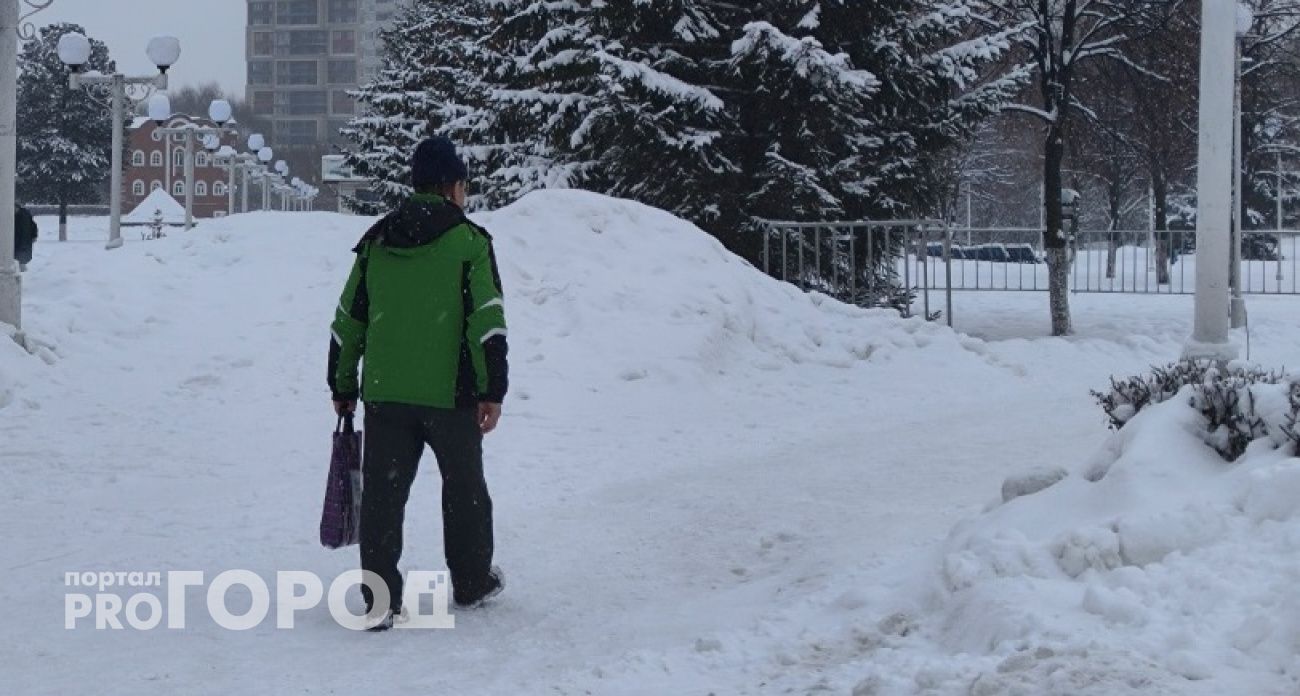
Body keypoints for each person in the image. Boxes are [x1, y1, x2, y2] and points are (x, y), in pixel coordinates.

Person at [328, 137, 509, 631]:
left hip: (385, 394)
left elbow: (348, 321)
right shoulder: (470, 243)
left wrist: (342, 385)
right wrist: (491, 390)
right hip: (451, 396)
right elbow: (487, 323)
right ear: (452, 186)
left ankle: (379, 600)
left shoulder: (377, 242)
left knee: (383, 499)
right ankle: (471, 581)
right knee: (465, 490)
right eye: (463, 185)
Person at [14, 204, 37, 272]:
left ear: (18, 207)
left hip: (23, 240)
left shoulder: (25, 215)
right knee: (18, 256)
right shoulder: (24, 214)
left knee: (21, 257)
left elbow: (33, 226)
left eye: (15, 208)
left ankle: (22, 270)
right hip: (19, 240)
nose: (14, 210)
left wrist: (34, 236)